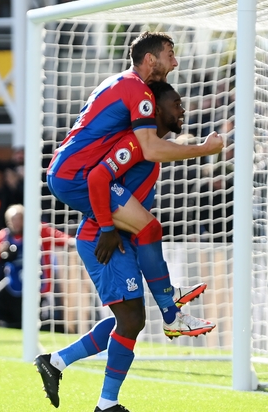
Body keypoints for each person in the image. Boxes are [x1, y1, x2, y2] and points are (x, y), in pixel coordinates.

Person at [36, 82, 213, 412]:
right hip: (104, 240)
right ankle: (106, 402)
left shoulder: (150, 146)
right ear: (155, 109)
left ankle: (57, 363)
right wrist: (106, 228)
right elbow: (98, 179)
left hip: (120, 238)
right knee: (131, 320)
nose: (182, 109)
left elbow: (164, 152)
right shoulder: (133, 143)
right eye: (176, 103)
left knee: (130, 319)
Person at [45, 31, 223, 335]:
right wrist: (204, 149)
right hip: (77, 176)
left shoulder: (117, 82)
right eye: (170, 54)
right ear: (150, 59)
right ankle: (170, 310)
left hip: (70, 171)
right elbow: (150, 148)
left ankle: (169, 302)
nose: (176, 63)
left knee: (131, 319)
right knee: (148, 232)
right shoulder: (138, 92)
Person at [0, 204, 74, 327]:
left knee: (34, 317)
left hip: (38, 282)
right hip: (14, 282)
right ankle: (9, 323)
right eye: (13, 220)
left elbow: (61, 238)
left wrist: (73, 242)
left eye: (19, 218)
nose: (16, 223)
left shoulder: (40, 230)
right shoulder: (4, 236)